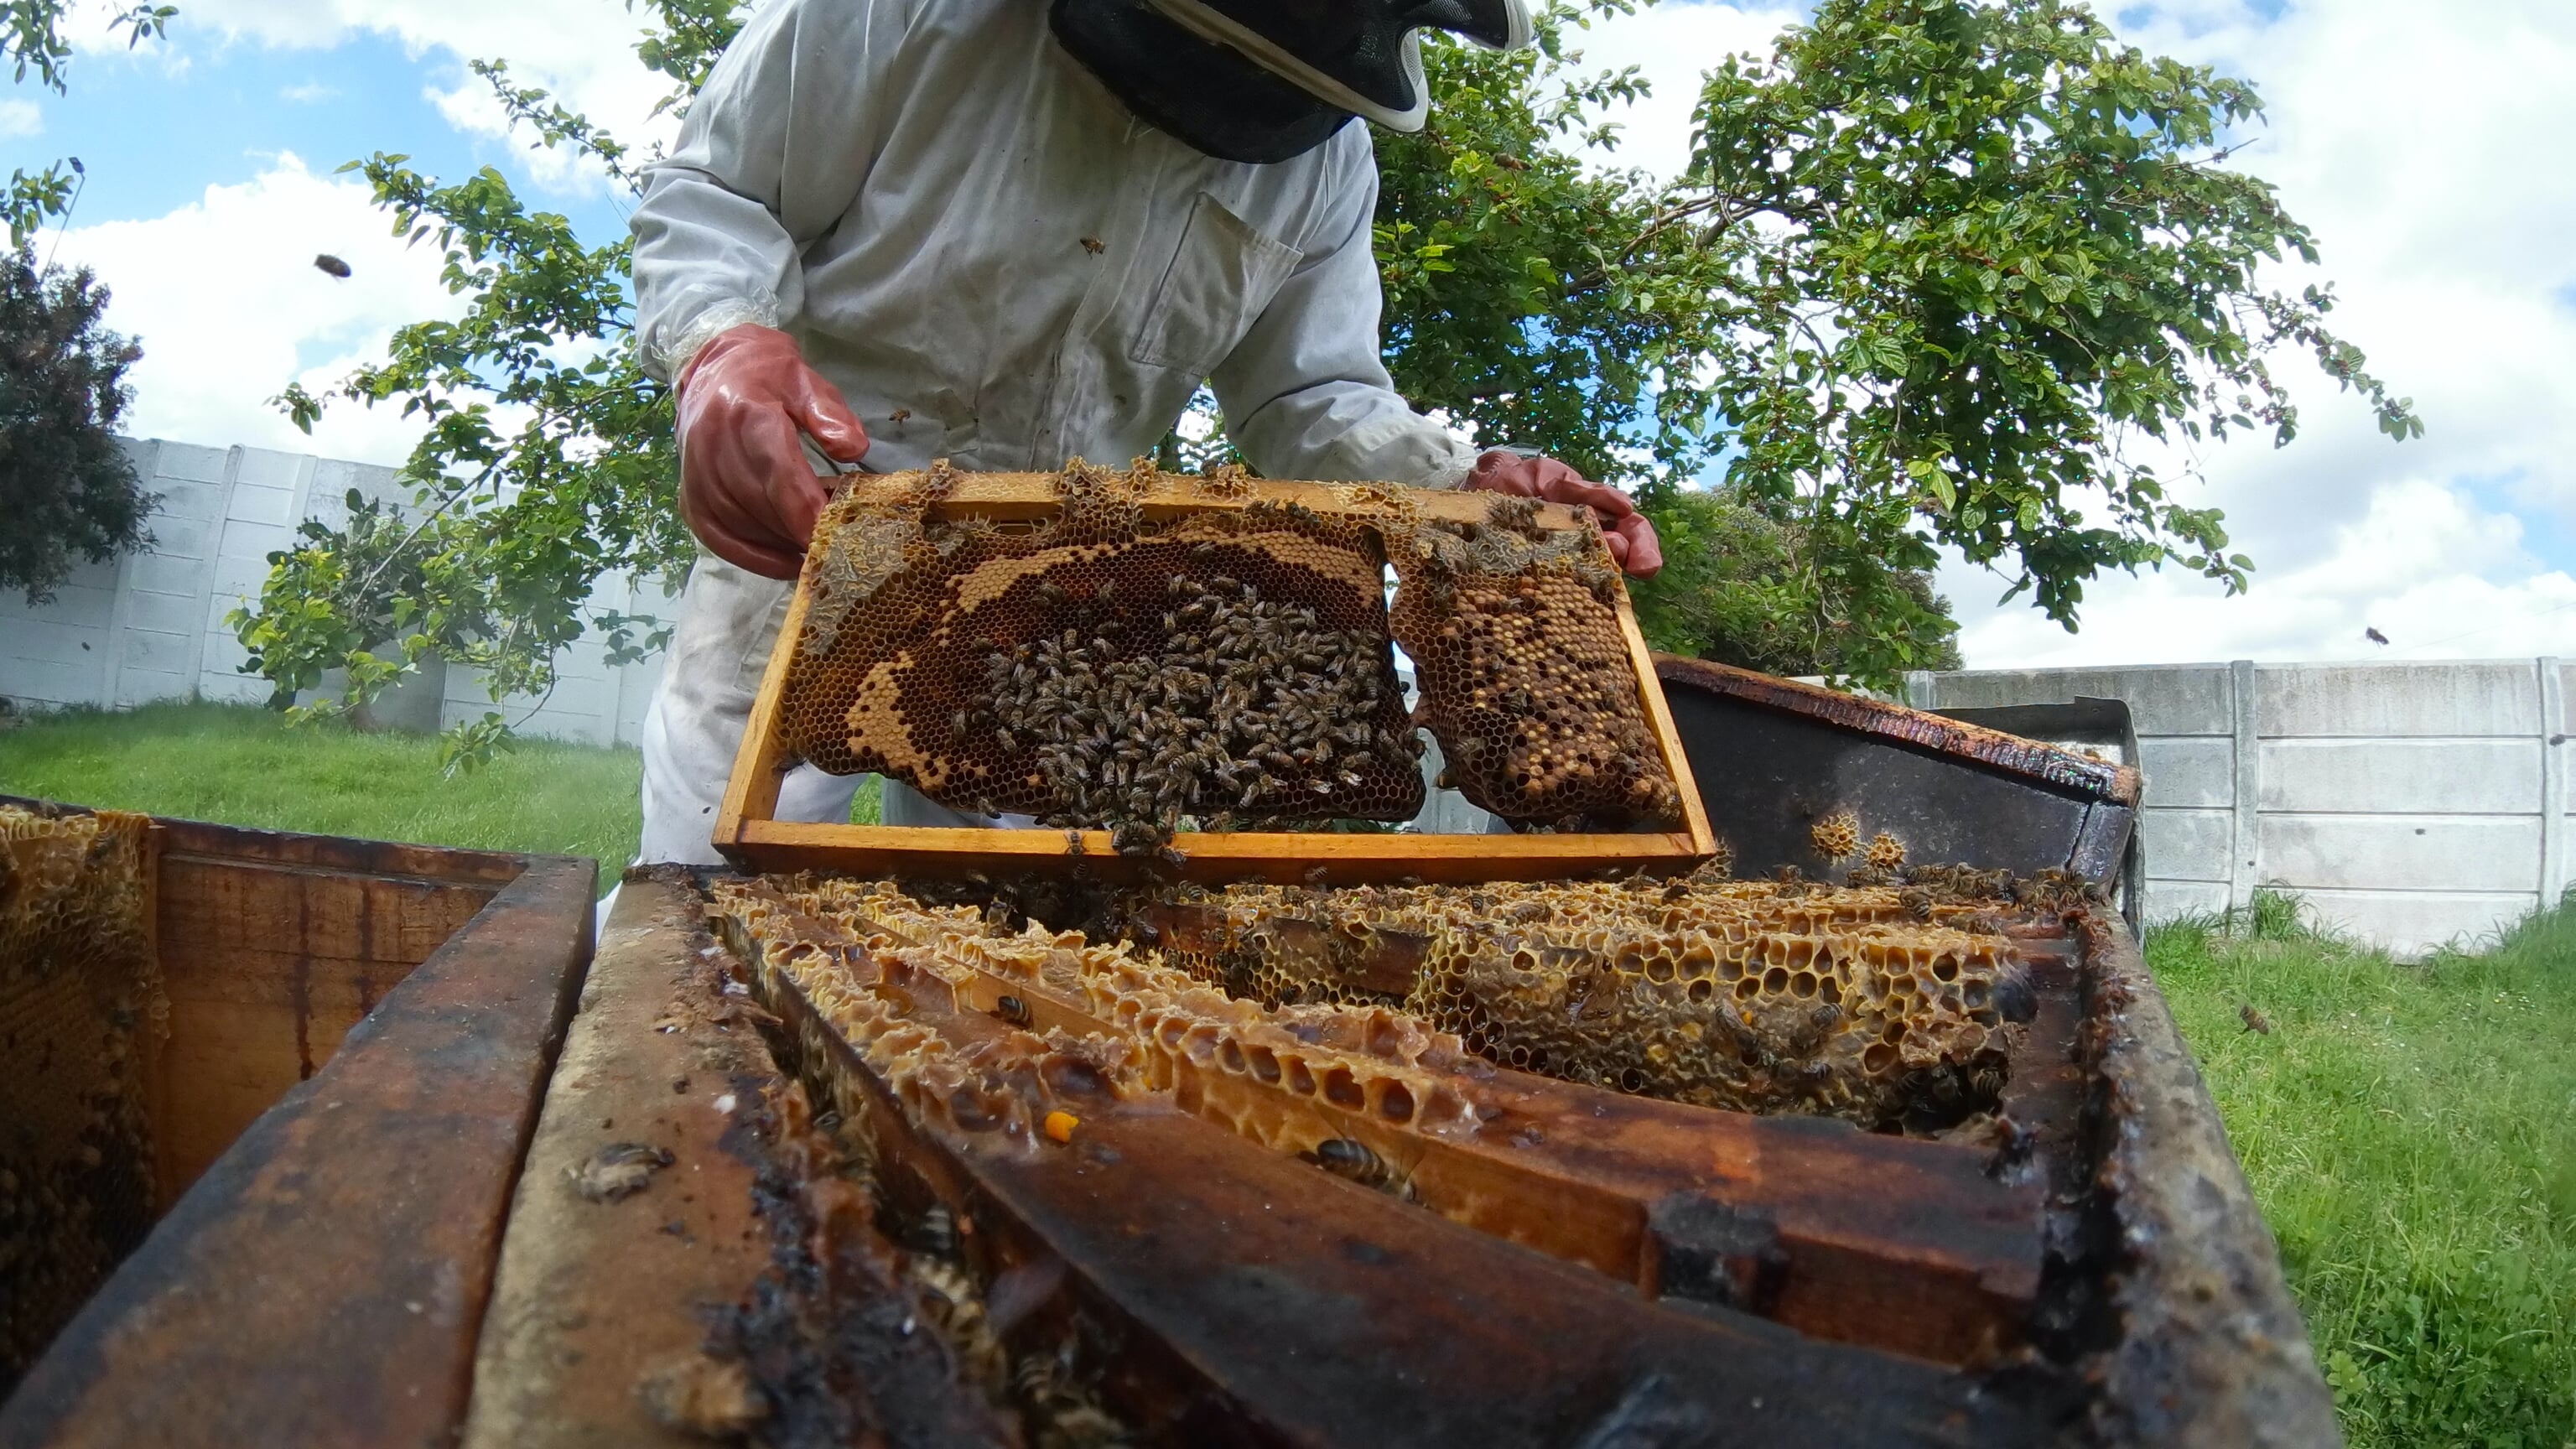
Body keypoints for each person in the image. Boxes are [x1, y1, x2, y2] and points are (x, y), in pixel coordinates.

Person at [628, 0, 1664, 865]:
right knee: (703, 906)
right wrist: (721, 343)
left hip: (1069, 595)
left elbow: (1309, 399)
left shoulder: (1327, 168)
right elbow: (717, 191)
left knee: (1018, 948)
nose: (1223, 86)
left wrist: (1470, 478)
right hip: (812, 526)